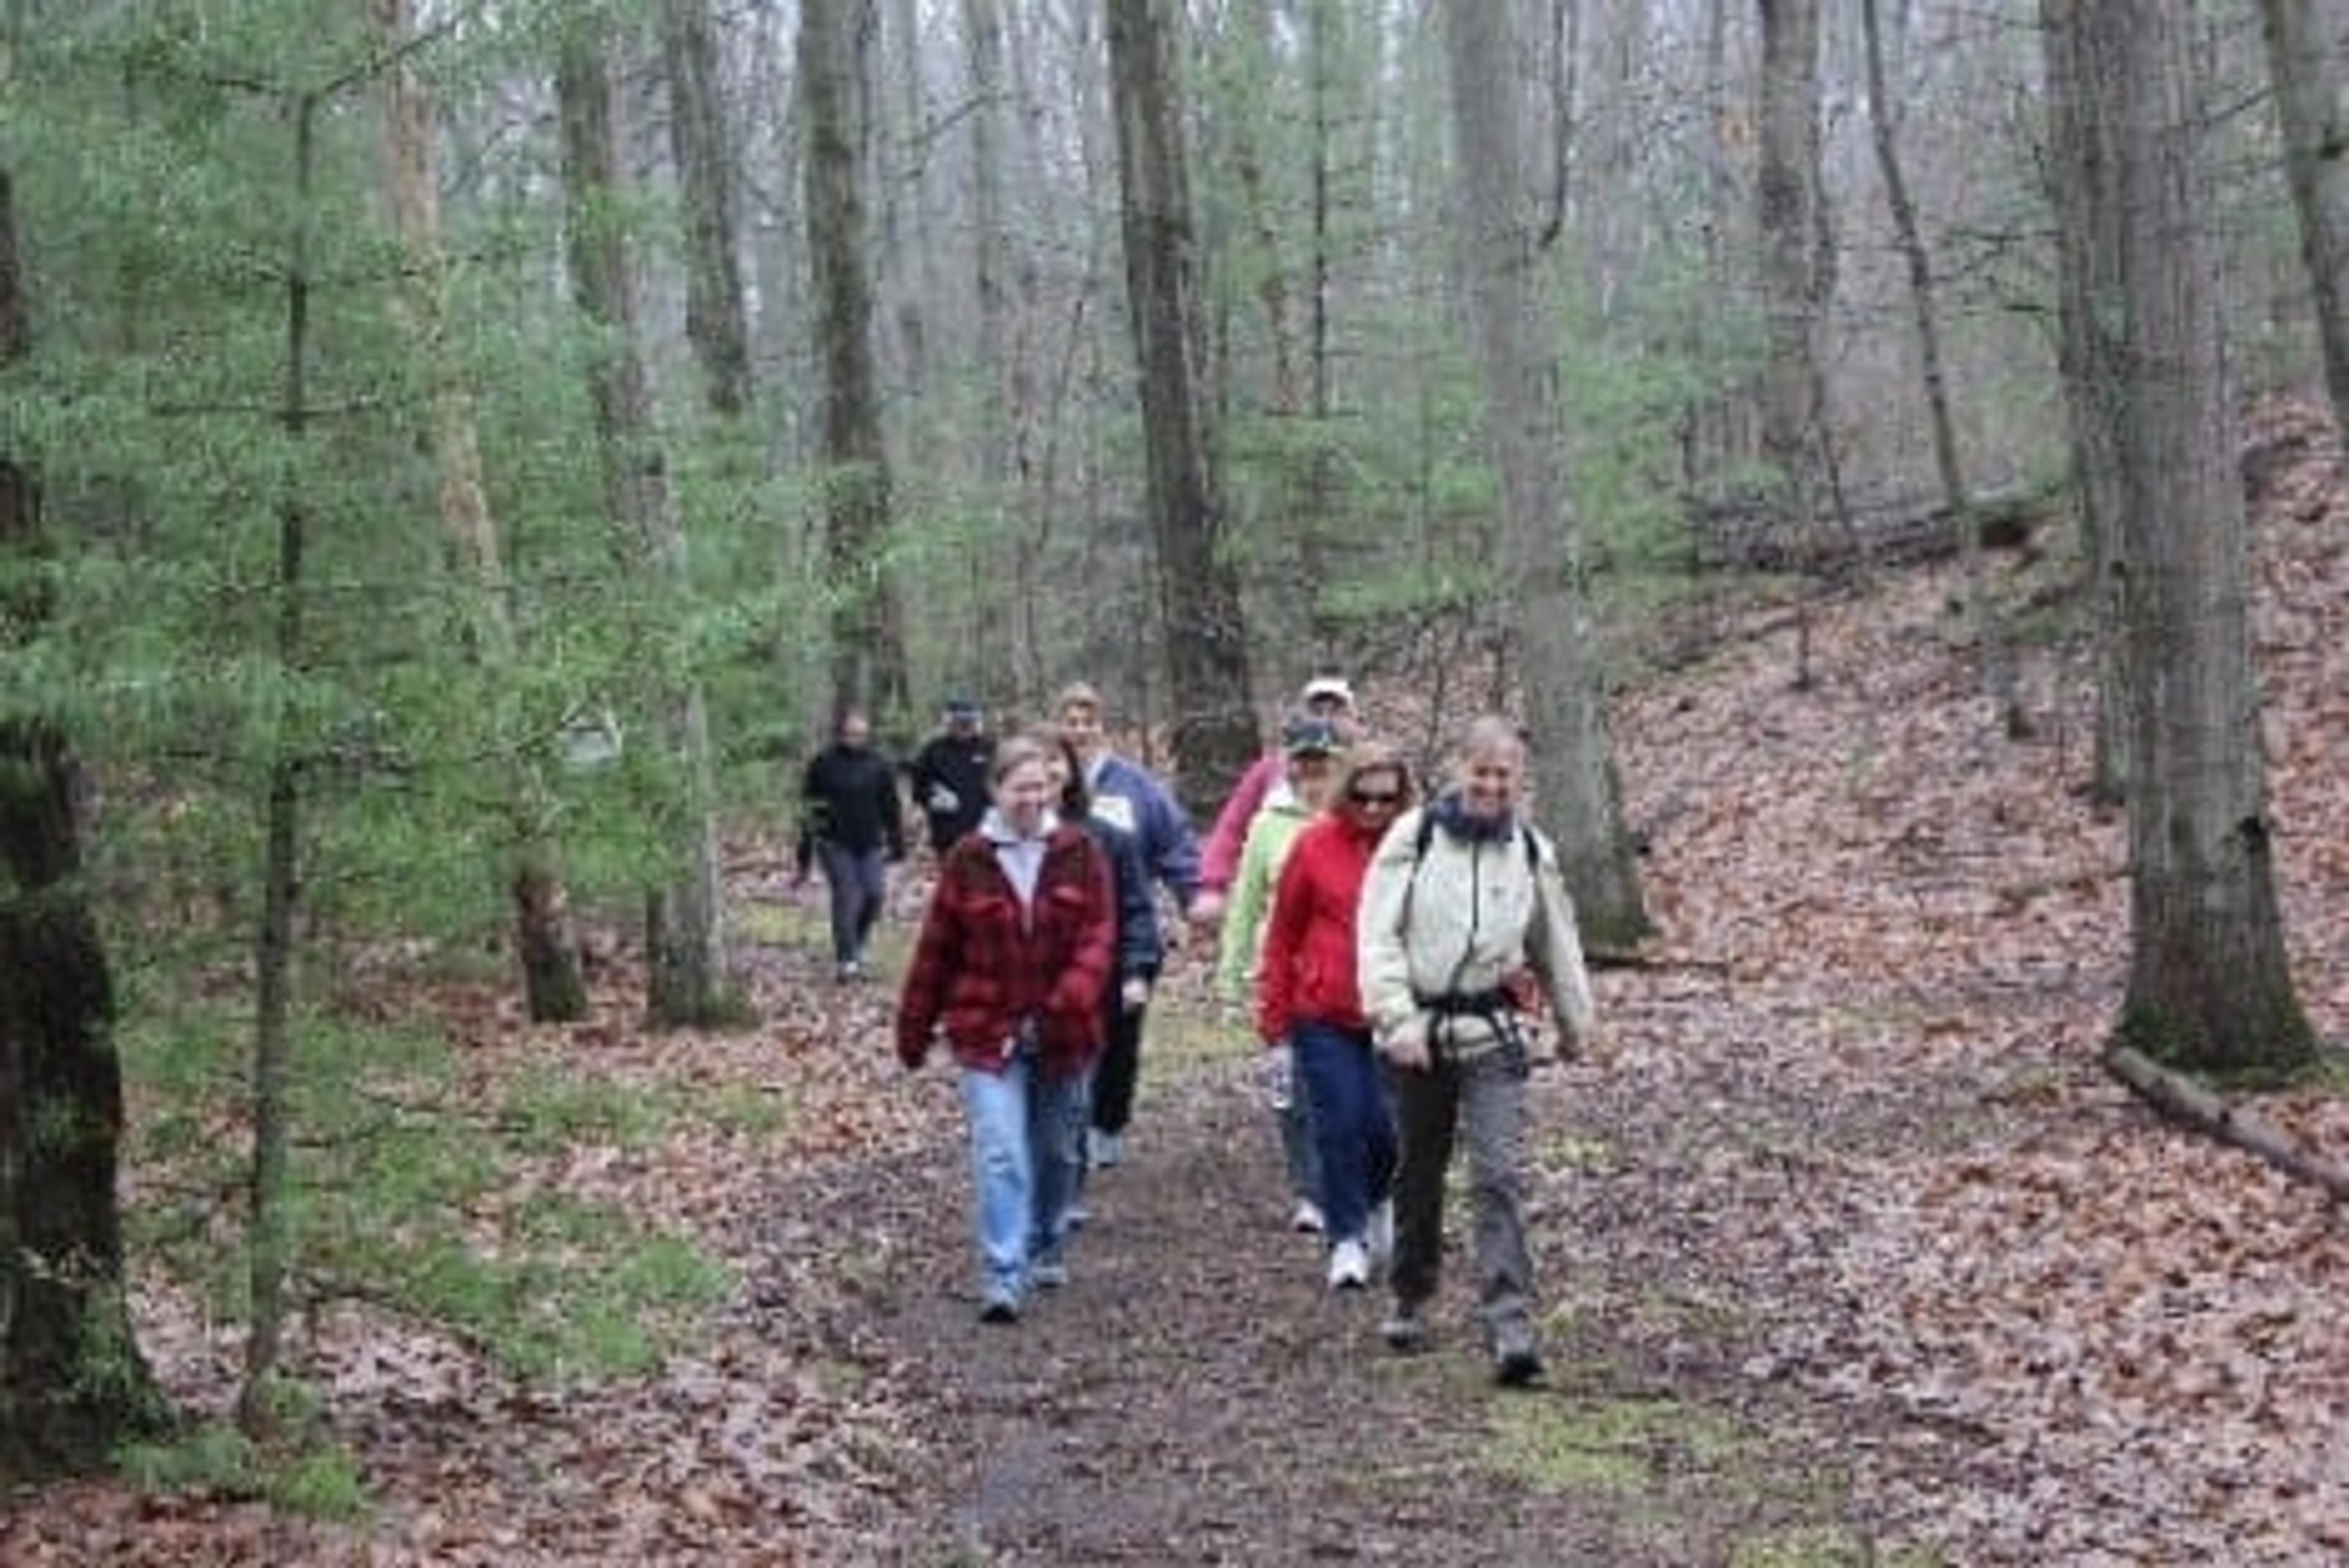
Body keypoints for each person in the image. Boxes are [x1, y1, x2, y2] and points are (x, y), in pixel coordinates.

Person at [1357, 715, 1595, 1387]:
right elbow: (1377, 934)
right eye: (1481, 772)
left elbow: (1557, 939)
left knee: (1498, 1175)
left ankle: (1511, 1325)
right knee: (1420, 1170)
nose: (1491, 785)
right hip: (1420, 1036)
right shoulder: (1414, 837)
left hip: (1495, 1034)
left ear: (1518, 780)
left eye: (1503, 775)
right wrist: (1396, 1018)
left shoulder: (1529, 851)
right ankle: (1411, 1290)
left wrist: (1578, 1022)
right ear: (1459, 771)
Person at [895, 736, 1116, 1323]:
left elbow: (1098, 938)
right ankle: (1002, 1272)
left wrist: (1070, 997)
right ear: (995, 790)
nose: (1032, 797)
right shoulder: (969, 859)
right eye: (1020, 787)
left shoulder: (1080, 851)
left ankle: (1045, 1239)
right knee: (1001, 1152)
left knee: (1056, 1149)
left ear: (1055, 788)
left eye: (1042, 785)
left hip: (1064, 1032)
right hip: (985, 1030)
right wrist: (913, 1031)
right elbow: (936, 951)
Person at [1256, 740, 1414, 1291]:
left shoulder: (1415, 847)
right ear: (1346, 793)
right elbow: (1282, 935)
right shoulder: (1314, 846)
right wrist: (1274, 1020)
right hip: (1323, 1011)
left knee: (1388, 1131)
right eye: (1364, 797)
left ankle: (1379, 1199)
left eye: (1386, 799)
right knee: (1340, 1121)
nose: (1374, 809)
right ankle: (1346, 1235)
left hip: (1396, 1013)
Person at [1053, 681, 1203, 1169]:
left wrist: (1193, 896)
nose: (1079, 730)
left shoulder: (1136, 787)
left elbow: (1174, 842)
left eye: (1088, 720)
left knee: (1118, 1041)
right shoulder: (1042, 786)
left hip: (1126, 933)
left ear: (1102, 725)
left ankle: (1108, 1121)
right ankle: (1068, 1131)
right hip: (1065, 942)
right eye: (1070, 721)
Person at [1215, 713, 1345, 1235]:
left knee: (1339, 1085)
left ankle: (1343, 1178)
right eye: (1305, 765)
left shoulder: (1359, 821)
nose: (1314, 776)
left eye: (1323, 765)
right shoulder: (1268, 827)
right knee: (1290, 1089)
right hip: (1283, 978)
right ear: (1290, 767)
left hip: (1341, 975)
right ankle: (1309, 1189)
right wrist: (1231, 977)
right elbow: (1245, 905)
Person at [1035, 727, 1161, 1234]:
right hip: (1018, 992)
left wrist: (1136, 969)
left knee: (1074, 1096)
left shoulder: (1106, 835)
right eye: (1034, 761)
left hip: (1093, 987)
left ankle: (1064, 1192)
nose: (1045, 772)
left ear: (1070, 769)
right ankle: (1032, 1195)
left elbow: (1136, 906)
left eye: (1055, 761)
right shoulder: (994, 840)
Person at [1193, 674, 1360, 926]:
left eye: (1336, 710)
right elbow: (1232, 829)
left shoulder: (1370, 770)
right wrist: (1213, 887)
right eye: (1317, 710)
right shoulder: (1270, 771)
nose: (1326, 718)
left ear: (1354, 719)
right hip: (1274, 904)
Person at [794, 708, 907, 983]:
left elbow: (891, 806)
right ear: (840, 734)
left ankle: (857, 942)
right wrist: (805, 856)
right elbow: (808, 810)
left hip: (869, 842)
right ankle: (847, 961)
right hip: (834, 842)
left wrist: (897, 842)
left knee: (874, 895)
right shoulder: (823, 764)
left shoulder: (879, 764)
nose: (856, 738)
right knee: (847, 895)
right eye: (850, 733)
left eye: (861, 734)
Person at [907, 697, 995, 855]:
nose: (965, 727)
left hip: (985, 832)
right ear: (949, 723)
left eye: (969, 722)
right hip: (947, 834)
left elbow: (1003, 781)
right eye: (960, 722)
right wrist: (933, 798)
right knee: (952, 877)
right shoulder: (933, 750)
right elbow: (919, 787)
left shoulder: (988, 747)